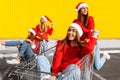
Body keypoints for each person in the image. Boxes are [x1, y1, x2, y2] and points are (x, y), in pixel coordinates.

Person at [73, 2, 110, 70]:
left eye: (86, 8)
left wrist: (87, 37)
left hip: (92, 45)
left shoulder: (90, 19)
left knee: (97, 67)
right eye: (83, 8)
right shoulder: (75, 22)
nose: (85, 10)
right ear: (79, 10)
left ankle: (104, 56)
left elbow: (90, 31)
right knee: (81, 67)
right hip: (81, 46)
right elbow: (74, 33)